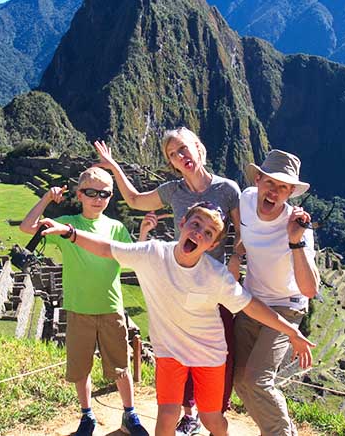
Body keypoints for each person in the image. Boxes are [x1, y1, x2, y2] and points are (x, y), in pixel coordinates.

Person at [38, 202, 315, 436]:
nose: (198, 233)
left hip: (209, 354)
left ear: (212, 245)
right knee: (168, 414)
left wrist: (290, 330)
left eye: (207, 233)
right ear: (182, 223)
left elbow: (251, 305)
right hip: (170, 352)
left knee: (211, 419)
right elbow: (106, 248)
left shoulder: (215, 275)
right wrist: (71, 233)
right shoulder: (152, 254)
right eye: (195, 224)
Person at [95, 127, 241, 435]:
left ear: (199, 149)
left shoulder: (227, 189)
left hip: (215, 288)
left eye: (185, 149)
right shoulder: (173, 191)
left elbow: (242, 236)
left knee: (216, 361)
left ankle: (209, 415)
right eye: (173, 154)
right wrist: (114, 167)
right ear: (171, 162)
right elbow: (135, 200)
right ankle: (189, 414)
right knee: (178, 358)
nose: (181, 156)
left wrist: (236, 262)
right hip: (180, 285)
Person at [20, 167, 150, 436]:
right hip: (79, 309)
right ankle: (87, 415)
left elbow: (133, 257)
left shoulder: (116, 228)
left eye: (103, 193)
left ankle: (130, 414)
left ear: (110, 196)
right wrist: (46, 198)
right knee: (81, 367)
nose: (97, 198)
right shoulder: (67, 224)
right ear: (79, 194)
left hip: (111, 307)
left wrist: (144, 234)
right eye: (91, 192)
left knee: (121, 366)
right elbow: (27, 227)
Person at [233, 149, 320, 436]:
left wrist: (295, 241)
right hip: (252, 301)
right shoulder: (245, 199)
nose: (274, 192)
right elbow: (241, 229)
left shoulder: (298, 228)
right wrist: (238, 251)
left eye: (283, 187)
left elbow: (310, 289)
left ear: (291, 192)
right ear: (257, 179)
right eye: (270, 182)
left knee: (258, 379)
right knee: (239, 380)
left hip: (287, 306)